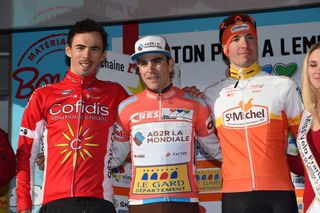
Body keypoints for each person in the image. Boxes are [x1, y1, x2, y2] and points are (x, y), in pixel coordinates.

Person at [16, 18, 129, 213]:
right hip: (55, 203)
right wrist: (24, 205)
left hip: (100, 202)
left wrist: (186, 95)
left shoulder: (115, 93)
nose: (86, 55)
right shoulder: (43, 95)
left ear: (103, 55)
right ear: (68, 50)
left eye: (94, 49)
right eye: (80, 47)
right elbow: (26, 154)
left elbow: (145, 119)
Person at [204, 14, 303, 213]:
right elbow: (205, 138)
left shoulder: (284, 86)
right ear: (225, 49)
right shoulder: (211, 95)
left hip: (279, 192)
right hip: (235, 194)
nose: (244, 44)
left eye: (250, 37)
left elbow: (305, 139)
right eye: (236, 39)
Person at [111, 35, 221, 213]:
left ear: (170, 64)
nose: (150, 69)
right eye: (143, 63)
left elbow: (218, 151)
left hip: (184, 203)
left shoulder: (195, 105)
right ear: (137, 68)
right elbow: (114, 157)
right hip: (141, 205)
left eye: (157, 61)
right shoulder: (126, 108)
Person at [292, 42, 320, 212]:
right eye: (313, 65)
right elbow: (304, 167)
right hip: (312, 204)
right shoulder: (305, 116)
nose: (318, 70)